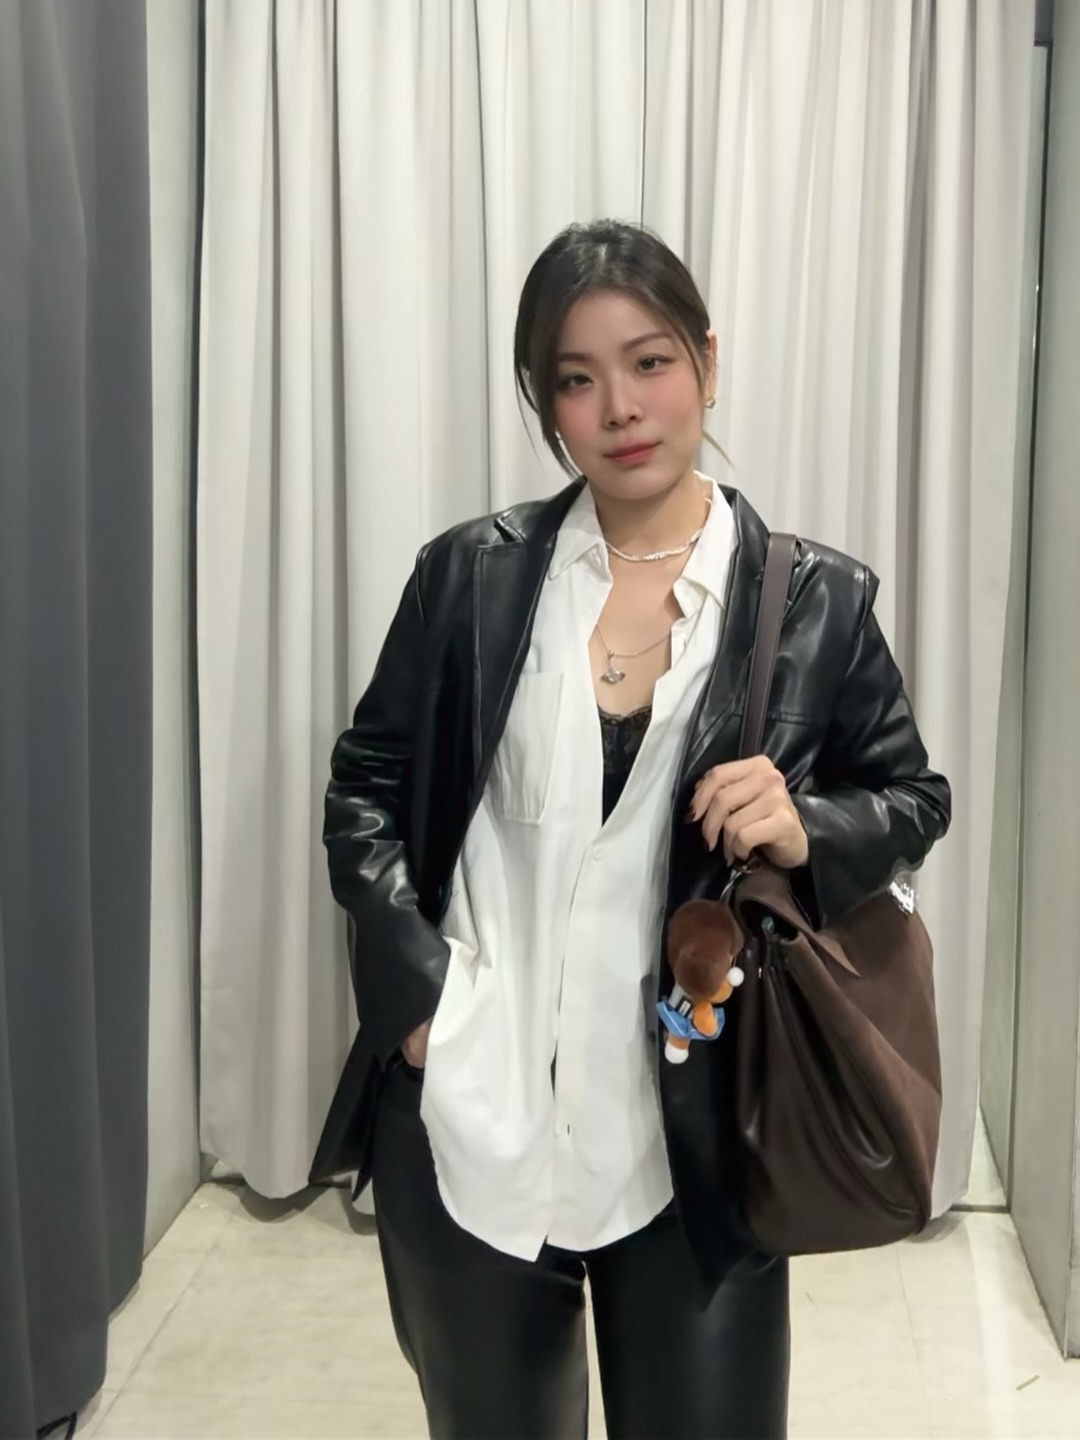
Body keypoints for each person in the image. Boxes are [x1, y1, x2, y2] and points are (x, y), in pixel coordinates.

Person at [319, 219, 951, 1440]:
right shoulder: (470, 577)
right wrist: (417, 1005)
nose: (620, 407)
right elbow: (368, 787)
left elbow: (913, 798)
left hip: (695, 1136)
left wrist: (809, 827)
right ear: (546, 404)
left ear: (706, 360)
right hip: (478, 1106)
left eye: (650, 362)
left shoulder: (816, 602)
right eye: (576, 378)